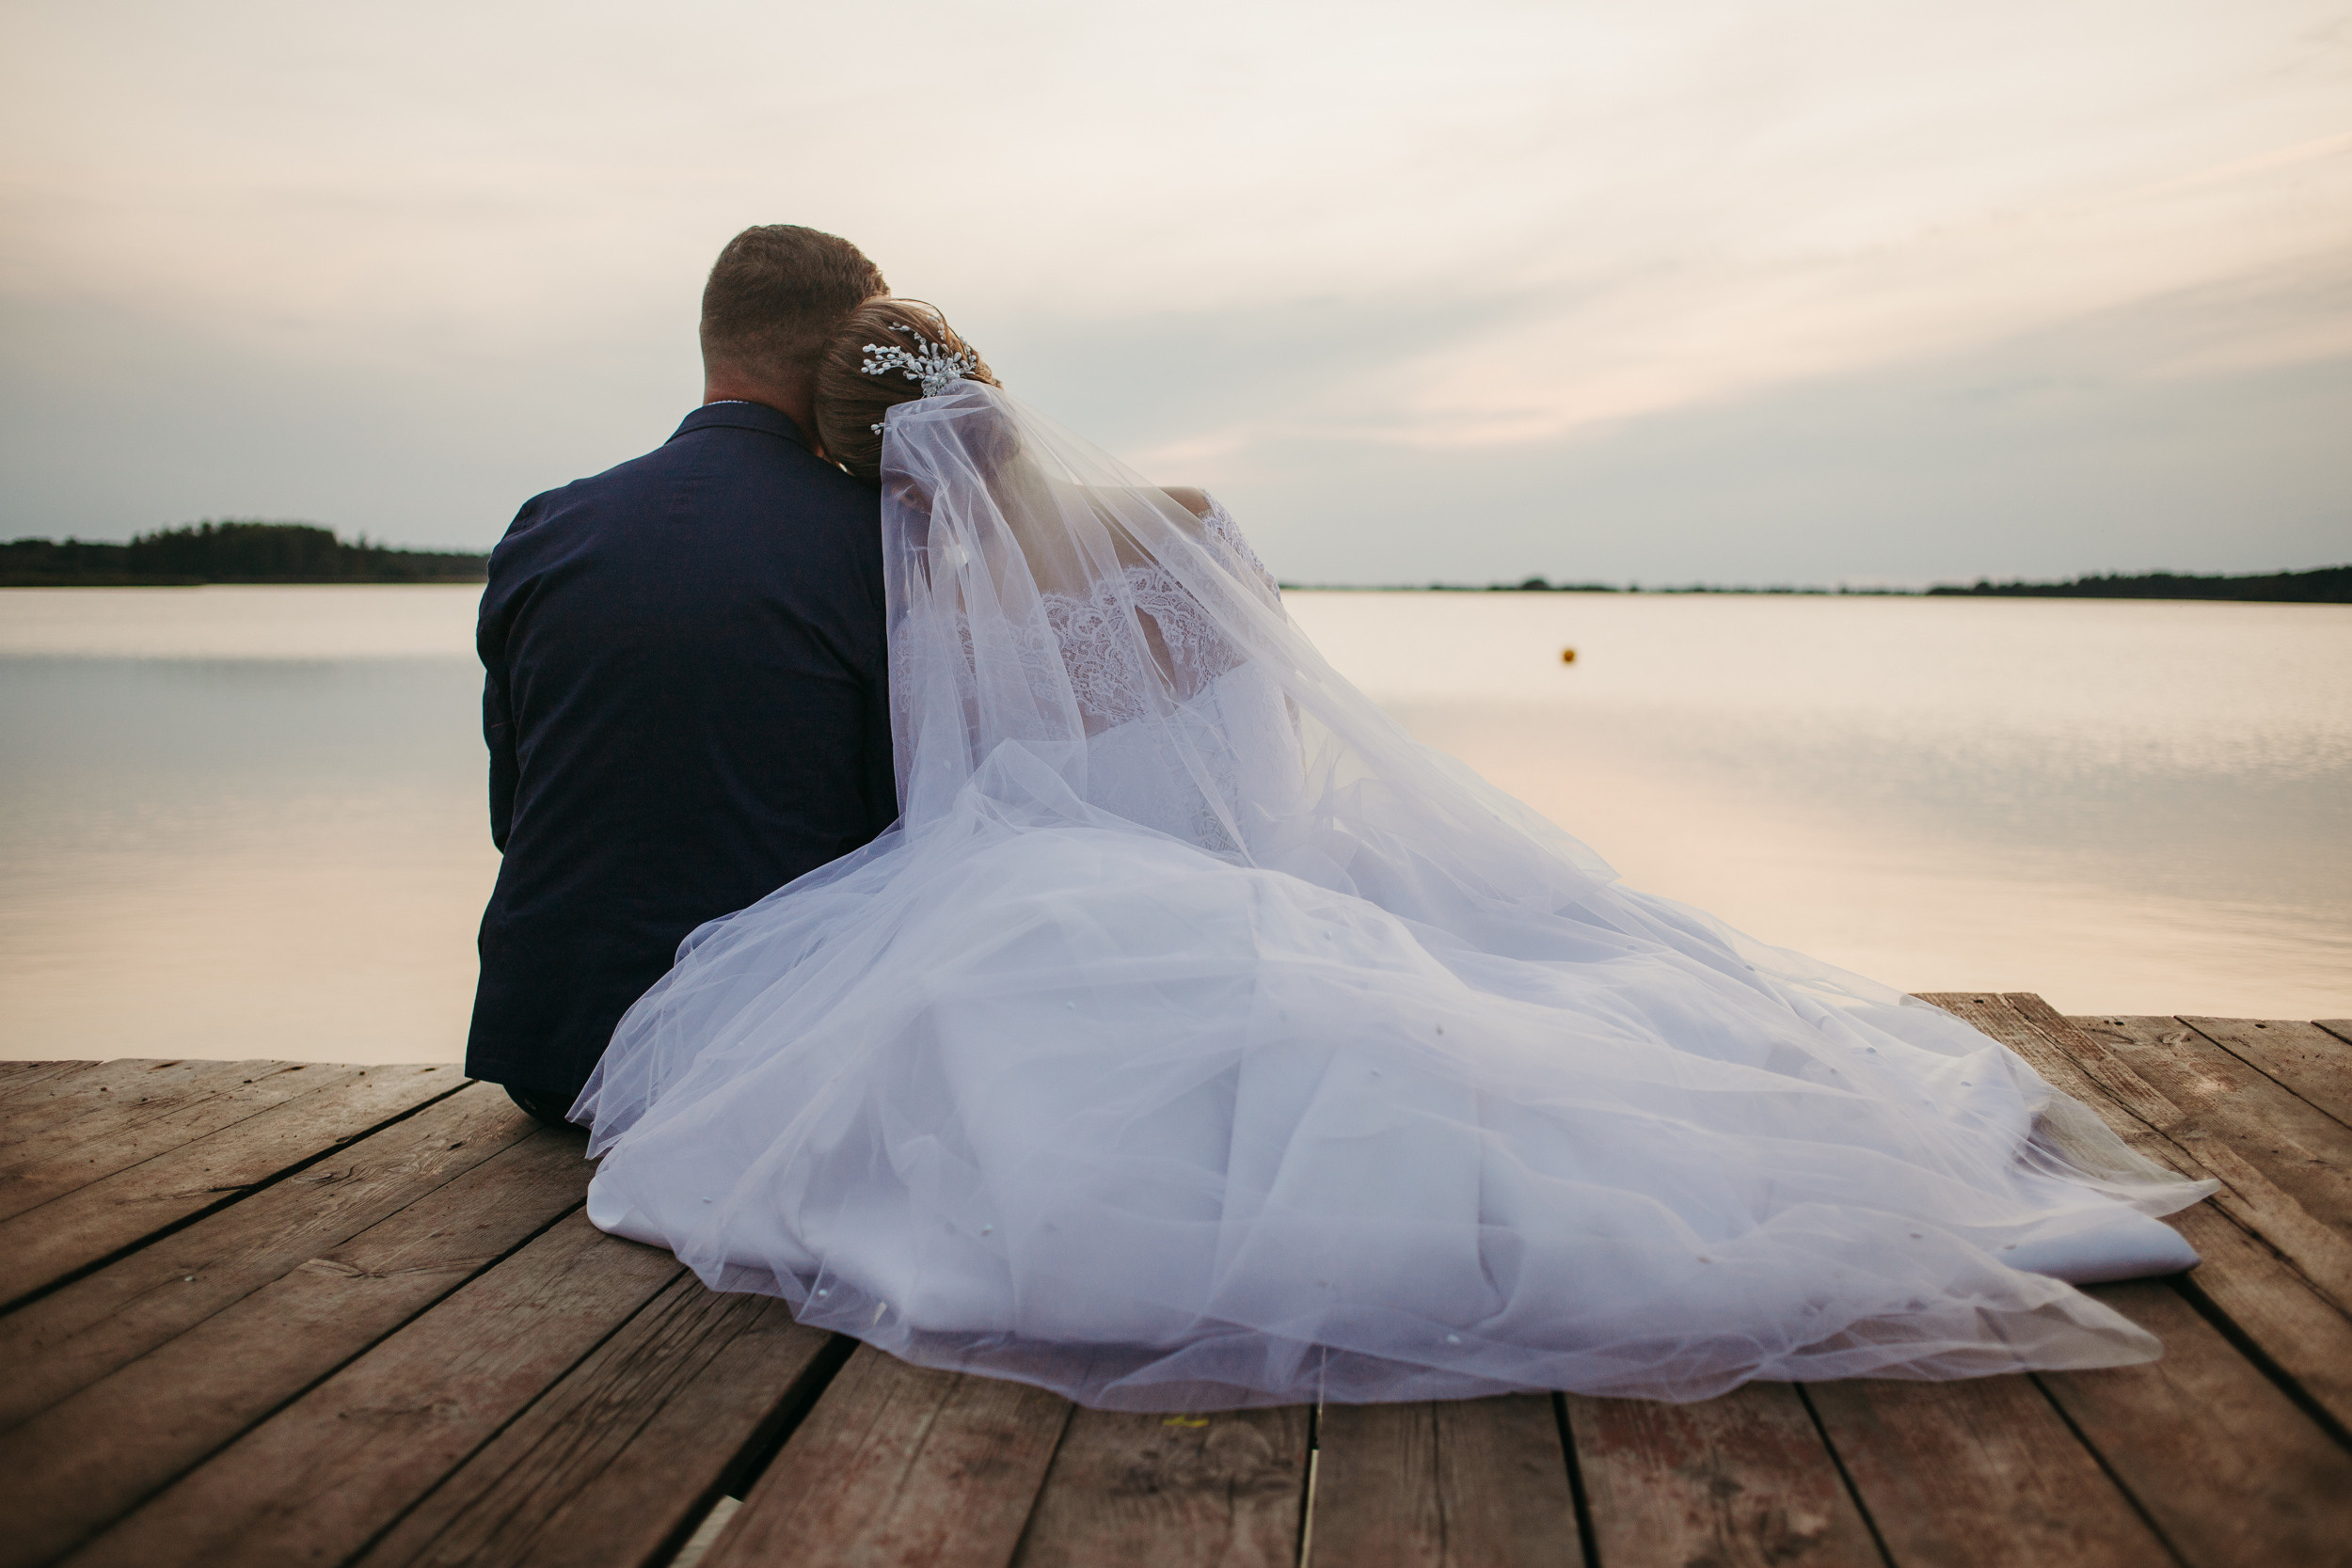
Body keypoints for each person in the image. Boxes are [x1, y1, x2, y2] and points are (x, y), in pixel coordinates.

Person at [573, 297, 2214, 1410]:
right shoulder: (1191, 520)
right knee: (1480, 1042)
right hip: (1227, 880)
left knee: (963, 1071)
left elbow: (950, 813)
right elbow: (1265, 747)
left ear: (863, 463)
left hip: (1045, 906)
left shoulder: (931, 595)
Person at [466, 227, 898, 1122]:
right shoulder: (878, 540)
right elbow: (904, 823)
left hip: (549, 1054)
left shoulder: (544, 527)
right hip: (762, 1061)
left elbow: (514, 815)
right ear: (841, 358)